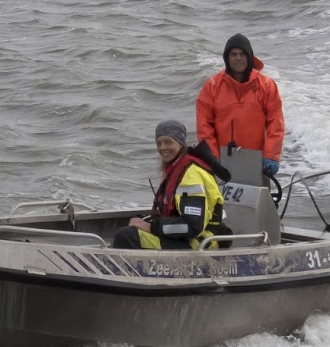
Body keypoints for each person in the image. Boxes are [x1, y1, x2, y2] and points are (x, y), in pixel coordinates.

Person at [112, 120, 229, 250]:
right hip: (185, 237)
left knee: (126, 236)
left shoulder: (191, 175)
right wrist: (146, 222)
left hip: (201, 240)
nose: (162, 147)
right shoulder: (177, 168)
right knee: (131, 225)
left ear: (180, 143)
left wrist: (152, 227)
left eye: (168, 142)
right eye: (159, 143)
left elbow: (192, 226)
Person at [195, 33, 285, 182]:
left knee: (259, 197)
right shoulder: (212, 86)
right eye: (233, 54)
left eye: (242, 54)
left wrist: (270, 156)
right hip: (222, 163)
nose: (238, 58)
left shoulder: (267, 86)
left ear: (249, 57)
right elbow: (204, 126)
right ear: (227, 57)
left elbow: (276, 124)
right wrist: (213, 157)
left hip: (258, 163)